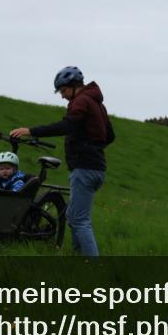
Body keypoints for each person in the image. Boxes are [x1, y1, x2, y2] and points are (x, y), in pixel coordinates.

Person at [11, 66, 114, 256]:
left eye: (63, 90)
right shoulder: (97, 103)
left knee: (80, 220)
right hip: (96, 167)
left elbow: (67, 126)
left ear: (74, 86)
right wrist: (92, 145)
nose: (62, 96)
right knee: (72, 216)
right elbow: (110, 136)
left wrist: (31, 131)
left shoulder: (81, 100)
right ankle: (79, 258)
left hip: (84, 168)